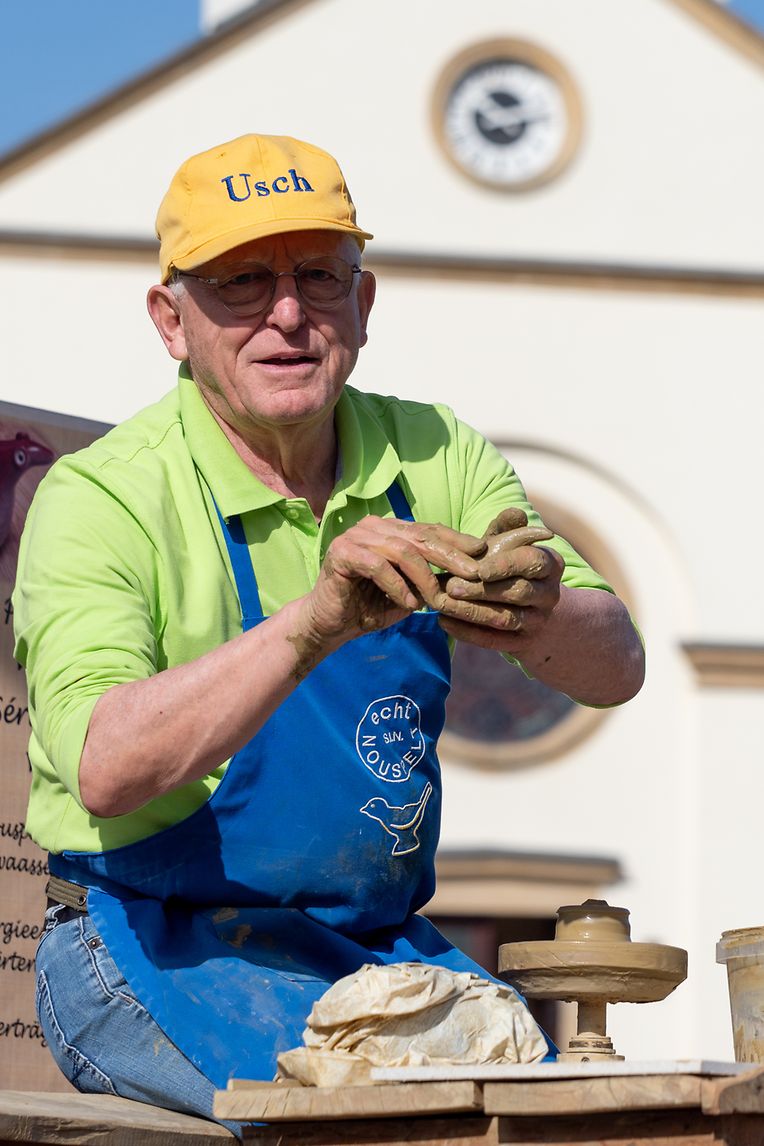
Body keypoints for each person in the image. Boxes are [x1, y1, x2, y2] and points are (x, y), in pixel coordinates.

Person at [14, 133, 644, 1125]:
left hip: (370, 948)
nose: (286, 314)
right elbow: (105, 767)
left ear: (364, 303)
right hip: (147, 940)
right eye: (240, 283)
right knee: (359, 1125)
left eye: (318, 276)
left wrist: (536, 613)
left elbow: (615, 667)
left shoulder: (434, 453)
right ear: (170, 321)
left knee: (560, 1121)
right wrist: (312, 623)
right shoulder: (104, 496)